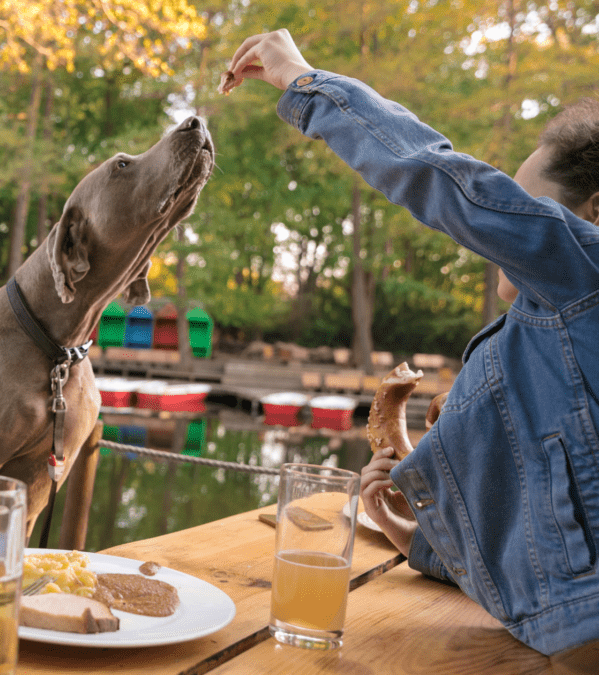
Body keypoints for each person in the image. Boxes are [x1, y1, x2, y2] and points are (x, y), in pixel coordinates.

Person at [225, 30, 599, 656]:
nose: (502, 233)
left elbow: (438, 177)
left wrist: (302, 80)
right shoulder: (541, 343)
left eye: (528, 211)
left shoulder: (585, 280)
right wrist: (415, 538)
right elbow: (547, 525)